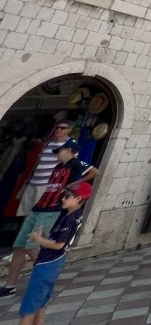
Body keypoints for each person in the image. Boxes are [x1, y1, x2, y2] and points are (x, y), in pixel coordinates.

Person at [1, 139, 98, 298]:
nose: (57, 154)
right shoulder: (58, 167)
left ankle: (46, 278)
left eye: (60, 150)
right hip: (39, 207)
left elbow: (95, 172)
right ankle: (10, 286)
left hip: (52, 209)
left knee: (32, 246)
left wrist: (74, 184)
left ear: (69, 150)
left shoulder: (75, 163)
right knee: (19, 246)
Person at [17, 181, 91, 325]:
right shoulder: (73, 213)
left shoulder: (70, 218)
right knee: (41, 302)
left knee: (29, 307)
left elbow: (59, 245)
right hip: (55, 261)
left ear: (78, 199)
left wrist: (38, 239)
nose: (63, 198)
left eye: (67, 196)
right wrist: (45, 238)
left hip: (48, 262)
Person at [16, 121, 74, 218]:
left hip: (46, 185)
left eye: (62, 128)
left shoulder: (70, 145)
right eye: (57, 127)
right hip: (33, 182)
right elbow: (39, 162)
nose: (58, 130)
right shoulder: (49, 143)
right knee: (24, 213)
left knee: (35, 214)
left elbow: (70, 166)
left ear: (69, 130)